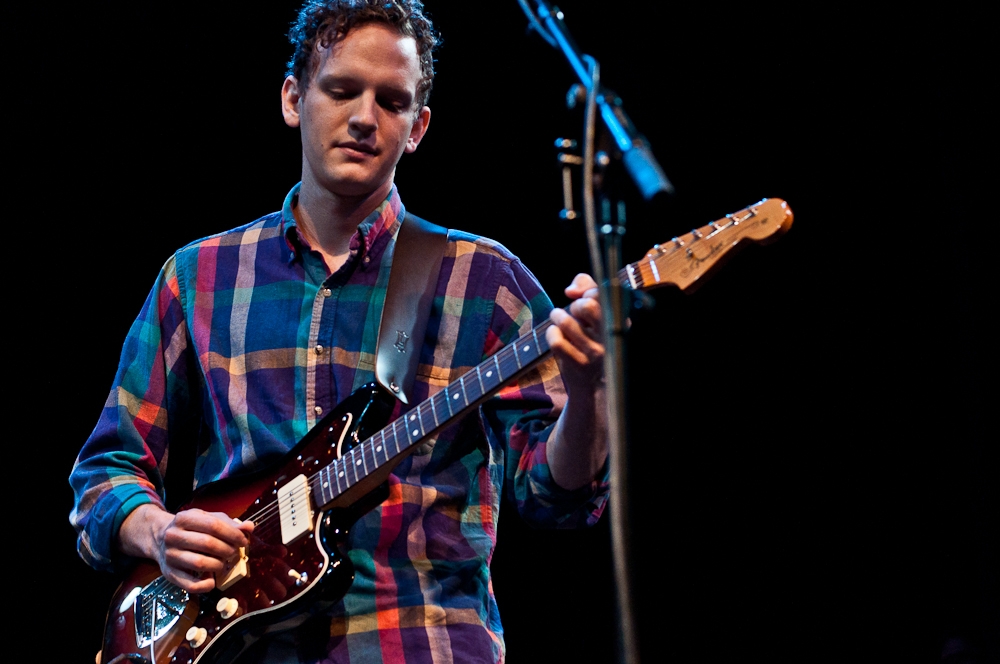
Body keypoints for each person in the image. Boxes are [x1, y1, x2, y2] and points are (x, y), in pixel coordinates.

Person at [69, 1, 610, 662]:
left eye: (391, 100)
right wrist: (156, 533)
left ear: (418, 127)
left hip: (421, 643)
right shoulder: (197, 276)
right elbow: (106, 470)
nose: (363, 118)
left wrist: (589, 394)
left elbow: (556, 499)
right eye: (342, 90)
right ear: (294, 99)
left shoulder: (485, 280)